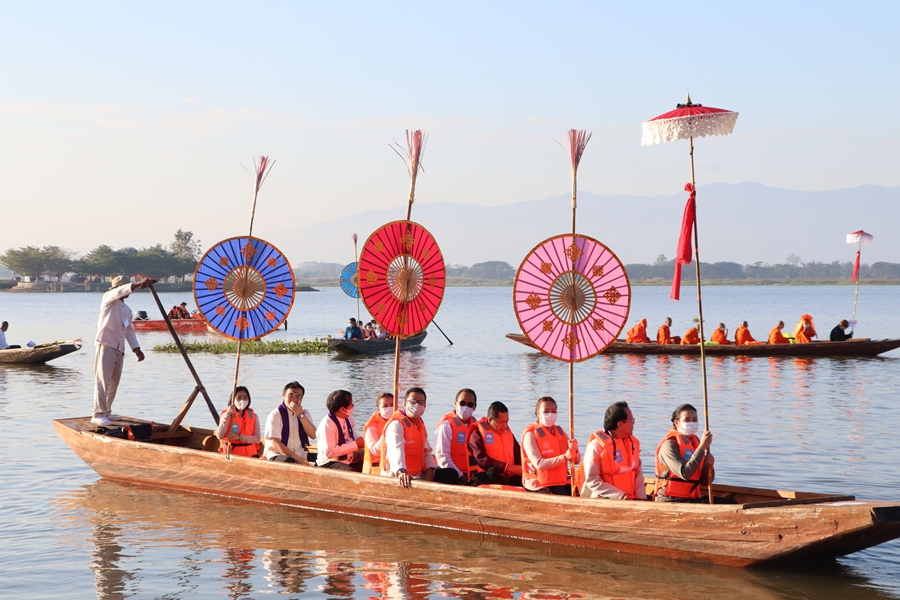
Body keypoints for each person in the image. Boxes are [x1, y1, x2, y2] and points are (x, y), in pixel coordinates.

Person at [91, 275, 157, 427]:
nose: (127, 293)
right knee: (102, 381)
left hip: (119, 348)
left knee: (114, 382)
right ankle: (98, 413)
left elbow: (129, 331)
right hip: (106, 345)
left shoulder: (126, 309)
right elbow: (118, 292)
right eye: (126, 288)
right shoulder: (108, 299)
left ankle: (107, 411)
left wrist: (137, 349)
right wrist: (138, 284)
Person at [580, 401, 646, 500]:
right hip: (604, 502)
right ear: (620, 424)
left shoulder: (632, 444)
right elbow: (592, 480)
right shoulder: (596, 446)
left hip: (630, 501)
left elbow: (638, 476)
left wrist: (641, 500)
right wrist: (620, 496)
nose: (633, 423)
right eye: (631, 420)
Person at [653, 404, 714, 502]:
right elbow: (685, 473)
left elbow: (705, 482)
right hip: (670, 500)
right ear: (677, 423)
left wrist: (709, 466)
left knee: (731, 503)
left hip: (691, 498)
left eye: (694, 420)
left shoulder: (696, 442)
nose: (692, 423)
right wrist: (702, 448)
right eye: (687, 420)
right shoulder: (669, 445)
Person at [521, 397, 580, 495]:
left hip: (559, 482)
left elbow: (576, 460)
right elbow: (539, 464)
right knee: (563, 497)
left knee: (581, 490)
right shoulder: (531, 434)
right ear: (538, 413)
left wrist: (575, 449)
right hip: (539, 485)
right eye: (546, 411)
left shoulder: (560, 432)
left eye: (553, 411)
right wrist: (565, 457)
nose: (550, 414)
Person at [380, 387, 436, 488]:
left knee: (448, 474)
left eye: (420, 402)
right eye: (413, 402)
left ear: (424, 406)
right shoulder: (396, 424)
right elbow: (396, 450)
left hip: (418, 474)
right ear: (405, 404)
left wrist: (430, 469)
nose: (417, 405)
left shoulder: (420, 425)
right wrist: (401, 470)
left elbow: (426, 451)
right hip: (397, 476)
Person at [468, 401, 523, 486]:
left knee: (522, 475)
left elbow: (518, 455)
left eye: (507, 421)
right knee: (494, 472)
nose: (505, 425)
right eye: (501, 422)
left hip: (506, 475)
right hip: (485, 476)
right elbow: (482, 460)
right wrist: (507, 467)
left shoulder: (508, 433)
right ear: (490, 420)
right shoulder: (477, 434)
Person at [263, 382, 317, 464]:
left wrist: (300, 415)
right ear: (283, 396)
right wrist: (296, 458)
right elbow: (275, 442)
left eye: (299, 396)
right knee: (289, 461)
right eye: (290, 395)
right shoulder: (276, 415)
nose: (295, 399)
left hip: (300, 453)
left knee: (321, 459)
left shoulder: (305, 413)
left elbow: (313, 435)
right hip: (276, 454)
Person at [433, 388, 479, 484]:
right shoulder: (446, 426)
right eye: (462, 403)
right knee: (451, 474)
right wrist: (462, 477)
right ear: (455, 404)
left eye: (470, 404)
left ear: (475, 407)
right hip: (451, 474)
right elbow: (443, 459)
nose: (465, 407)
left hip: (470, 474)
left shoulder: (475, 425)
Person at [316, 389, 364, 471]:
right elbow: (330, 452)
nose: (353, 406)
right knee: (351, 473)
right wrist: (355, 444)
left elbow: (354, 437)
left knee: (371, 465)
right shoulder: (327, 424)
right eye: (351, 404)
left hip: (349, 459)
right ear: (342, 409)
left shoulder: (348, 418)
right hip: (329, 462)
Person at [215, 386, 262, 457]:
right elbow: (219, 435)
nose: (242, 401)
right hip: (233, 455)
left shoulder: (254, 416)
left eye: (245, 398)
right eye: (239, 398)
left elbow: (257, 439)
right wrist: (227, 414)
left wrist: (239, 437)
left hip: (251, 455)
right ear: (233, 400)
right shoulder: (227, 415)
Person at [362, 392, 394, 475]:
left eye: (392, 405)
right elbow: (374, 450)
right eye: (385, 406)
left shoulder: (400, 423)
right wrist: (387, 434)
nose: (389, 408)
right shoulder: (372, 426)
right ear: (378, 409)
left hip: (396, 466)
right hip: (377, 470)